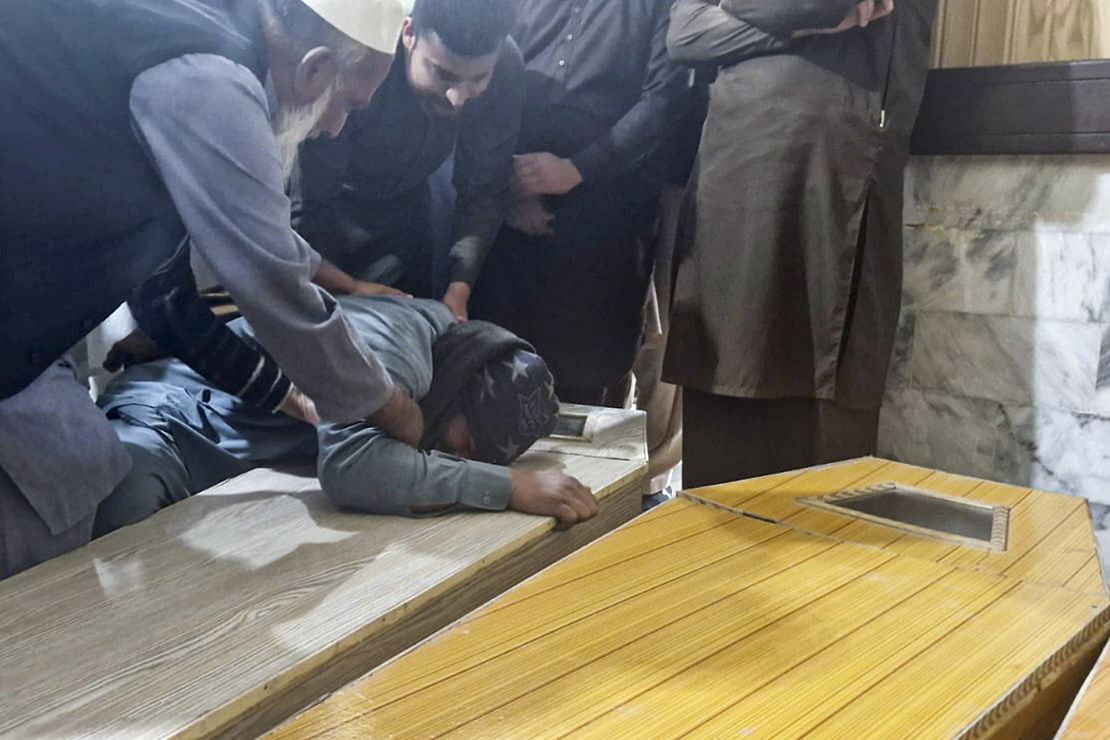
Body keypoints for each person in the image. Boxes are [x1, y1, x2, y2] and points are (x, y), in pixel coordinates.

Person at [0, 0, 420, 579]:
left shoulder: (210, 37)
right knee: (43, 519)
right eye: (347, 105)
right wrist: (392, 409)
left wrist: (293, 394)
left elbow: (167, 296)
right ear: (316, 69)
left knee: (78, 479)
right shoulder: (211, 77)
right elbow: (269, 271)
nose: (335, 127)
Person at [664, 0, 939, 486]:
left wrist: (741, 10)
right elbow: (686, 32)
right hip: (732, 178)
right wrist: (812, 26)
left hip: (832, 177)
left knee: (814, 458)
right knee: (720, 421)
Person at [94, 295, 599, 535]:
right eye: (466, 445)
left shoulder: (454, 351)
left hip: (254, 459)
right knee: (124, 524)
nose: (462, 456)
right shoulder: (394, 350)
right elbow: (353, 469)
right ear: (458, 391)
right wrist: (509, 486)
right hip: (175, 418)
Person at [468, 0, 689, 407]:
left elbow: (664, 101)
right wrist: (511, 181)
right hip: (507, 203)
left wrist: (577, 169)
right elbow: (487, 70)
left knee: (586, 377)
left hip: (604, 214)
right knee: (489, 370)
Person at [291, 0, 524, 318]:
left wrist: (459, 288)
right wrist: (343, 286)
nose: (457, 98)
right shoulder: (362, 55)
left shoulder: (506, 65)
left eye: (479, 78)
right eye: (444, 74)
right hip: (323, 217)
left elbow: (483, 189)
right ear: (409, 33)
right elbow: (309, 207)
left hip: (404, 214)